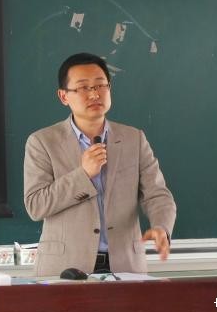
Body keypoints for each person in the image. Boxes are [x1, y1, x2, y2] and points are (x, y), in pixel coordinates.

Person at [23, 52, 175, 276]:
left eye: (100, 85)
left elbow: (157, 195)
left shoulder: (134, 138)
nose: (94, 94)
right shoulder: (42, 142)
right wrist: (83, 174)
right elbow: (36, 205)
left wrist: (162, 227)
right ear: (64, 96)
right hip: (65, 269)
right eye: (83, 87)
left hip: (125, 265)